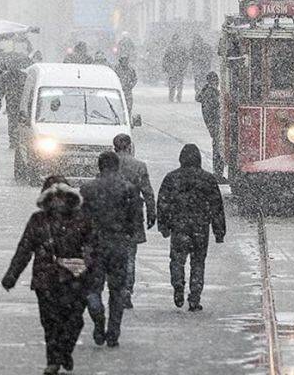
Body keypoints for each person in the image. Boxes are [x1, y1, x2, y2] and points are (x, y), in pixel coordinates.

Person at [1, 176, 92, 375]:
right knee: (50, 321)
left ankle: (65, 350)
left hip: (75, 279)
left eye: (62, 196)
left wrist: (91, 271)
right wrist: (11, 275)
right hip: (46, 279)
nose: (58, 201)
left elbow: (93, 248)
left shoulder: (82, 220)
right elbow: (24, 249)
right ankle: (53, 360)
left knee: (74, 320)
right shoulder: (38, 220)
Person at [79, 152, 141, 348]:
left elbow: (81, 220)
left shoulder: (88, 189)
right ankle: (113, 332)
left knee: (93, 288)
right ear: (117, 166)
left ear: (99, 166)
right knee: (117, 291)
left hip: (95, 246)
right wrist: (127, 232)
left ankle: (97, 315)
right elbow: (134, 219)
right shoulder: (128, 189)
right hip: (118, 245)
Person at [157, 144, 226, 311]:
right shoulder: (208, 179)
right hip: (200, 228)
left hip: (179, 227)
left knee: (177, 260)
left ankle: (178, 285)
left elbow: (163, 204)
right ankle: (195, 298)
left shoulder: (171, 178)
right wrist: (219, 231)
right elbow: (216, 206)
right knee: (198, 262)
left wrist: (164, 225)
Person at [113, 134, 156, 309]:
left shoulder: (108, 165)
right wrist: (152, 213)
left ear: (114, 147)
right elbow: (148, 192)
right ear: (130, 146)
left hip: (111, 215)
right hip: (132, 215)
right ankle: (127, 292)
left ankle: (115, 289)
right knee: (130, 256)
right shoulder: (139, 166)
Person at [195, 72, 226, 181]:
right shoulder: (210, 93)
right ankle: (218, 174)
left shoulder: (209, 92)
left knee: (218, 148)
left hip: (215, 125)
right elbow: (210, 113)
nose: (216, 83)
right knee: (218, 149)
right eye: (215, 81)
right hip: (216, 125)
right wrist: (214, 127)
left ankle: (218, 173)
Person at [162, 34, 189, 103]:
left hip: (171, 69)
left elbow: (165, 58)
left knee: (172, 84)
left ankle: (171, 97)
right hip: (180, 69)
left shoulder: (169, 48)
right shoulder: (182, 48)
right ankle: (179, 97)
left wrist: (165, 67)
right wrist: (184, 66)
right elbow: (186, 58)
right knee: (180, 84)